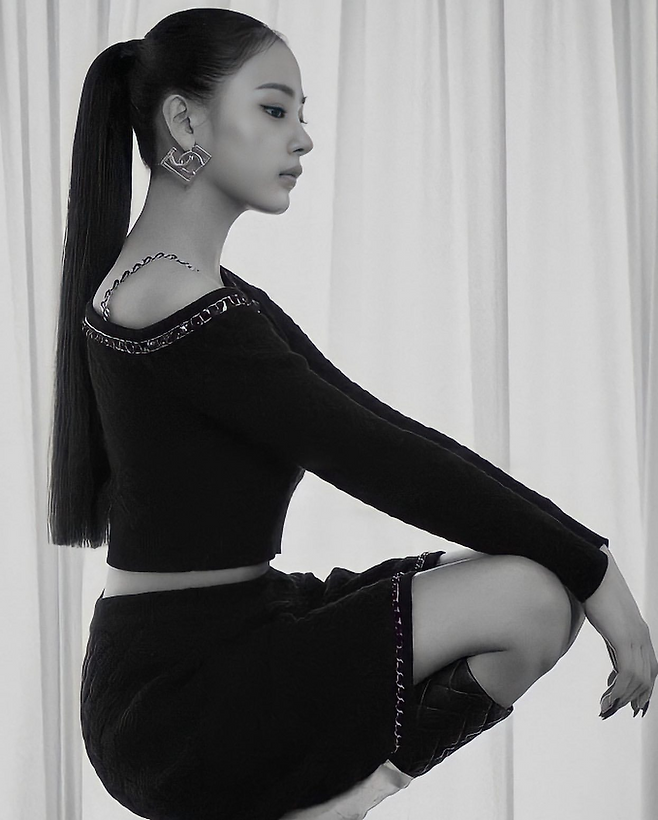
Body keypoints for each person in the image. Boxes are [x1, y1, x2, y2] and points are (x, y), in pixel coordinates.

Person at [47, 8, 657, 820]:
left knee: (539, 589)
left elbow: (377, 425)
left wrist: (586, 558)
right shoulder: (172, 299)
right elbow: (374, 456)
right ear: (186, 121)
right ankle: (338, 809)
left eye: (300, 113)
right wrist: (597, 571)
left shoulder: (199, 292)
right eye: (274, 109)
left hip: (228, 638)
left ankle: (334, 804)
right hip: (181, 700)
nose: (302, 138)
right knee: (534, 598)